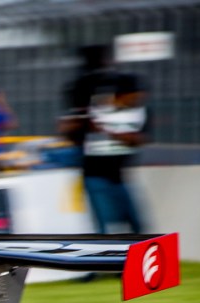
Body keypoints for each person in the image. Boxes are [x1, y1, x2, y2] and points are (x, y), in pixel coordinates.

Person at [60, 47, 148, 233]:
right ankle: (104, 260)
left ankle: (137, 260)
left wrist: (107, 130)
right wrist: (84, 121)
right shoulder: (94, 106)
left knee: (137, 225)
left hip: (119, 176)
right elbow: (68, 130)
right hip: (95, 174)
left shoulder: (137, 113)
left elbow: (138, 139)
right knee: (104, 227)